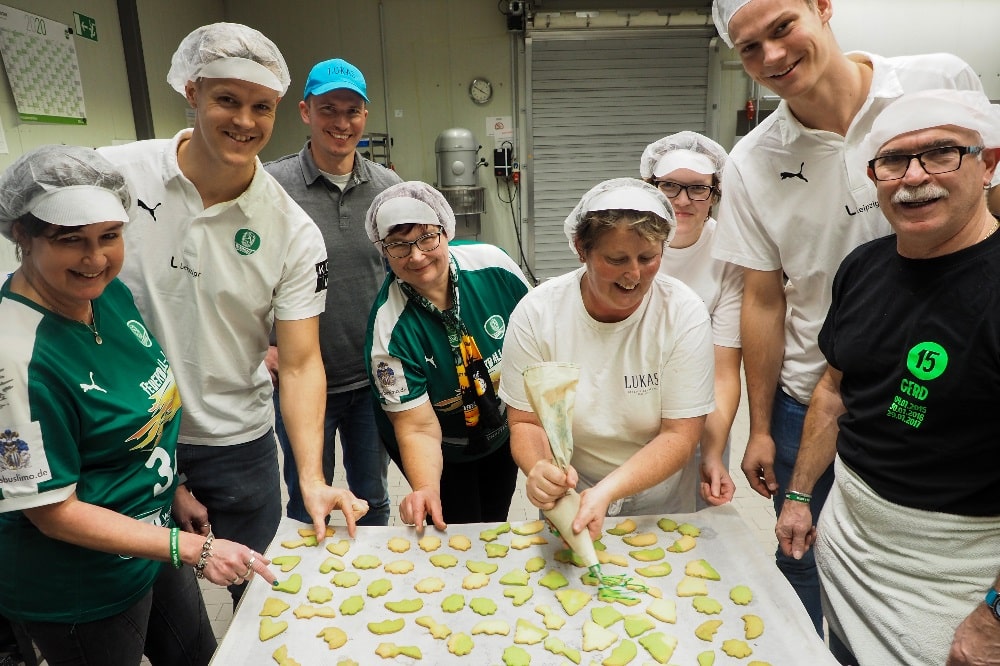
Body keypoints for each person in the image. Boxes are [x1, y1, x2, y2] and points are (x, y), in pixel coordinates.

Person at [710, 0, 995, 633]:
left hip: (952, 381)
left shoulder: (936, 81)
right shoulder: (752, 162)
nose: (773, 56)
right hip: (816, 391)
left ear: (822, 7)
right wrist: (759, 427)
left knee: (946, 556)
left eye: (783, 27)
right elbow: (763, 298)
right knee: (803, 547)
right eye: (749, 48)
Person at [98, 23, 367, 605]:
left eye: (261, 107)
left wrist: (315, 478)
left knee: (260, 599)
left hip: (232, 439)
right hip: (121, 434)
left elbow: (298, 365)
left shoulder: (292, 232)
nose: (245, 121)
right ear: (192, 91)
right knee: (155, 600)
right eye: (227, 100)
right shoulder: (115, 176)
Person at [0, 145, 276, 666]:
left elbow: (139, 412)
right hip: (81, 585)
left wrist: (173, 489)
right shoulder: (17, 357)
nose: (95, 258)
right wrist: (192, 549)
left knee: (198, 655)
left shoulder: (107, 296)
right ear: (21, 234)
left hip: (151, 543)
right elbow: (51, 512)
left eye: (109, 236)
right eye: (70, 240)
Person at [774, 89, 1000, 666]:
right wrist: (799, 496)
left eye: (942, 153)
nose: (913, 178)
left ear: (989, 162)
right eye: (893, 161)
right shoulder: (865, 267)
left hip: (955, 580)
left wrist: (994, 615)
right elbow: (831, 393)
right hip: (851, 545)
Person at [499, 178, 715, 541]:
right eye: (617, 259)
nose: (634, 274)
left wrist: (607, 491)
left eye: (649, 258)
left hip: (658, 501)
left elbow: (679, 436)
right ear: (582, 249)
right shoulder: (538, 314)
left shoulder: (682, 313)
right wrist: (539, 469)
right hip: (569, 493)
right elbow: (525, 422)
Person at [265, 57, 401, 528]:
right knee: (307, 502)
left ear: (365, 115)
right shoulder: (269, 186)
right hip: (300, 382)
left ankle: (376, 593)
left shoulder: (388, 188)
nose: (341, 124)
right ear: (305, 112)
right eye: (329, 109)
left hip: (370, 379)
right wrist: (260, 347)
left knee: (373, 498)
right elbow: (243, 275)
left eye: (352, 111)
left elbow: (405, 275)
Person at [364, 182, 531, 531]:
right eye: (398, 245)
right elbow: (418, 428)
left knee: (495, 514)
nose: (417, 256)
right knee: (459, 522)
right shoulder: (389, 331)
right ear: (383, 250)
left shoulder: (494, 266)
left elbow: (538, 344)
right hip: (437, 443)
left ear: (445, 230)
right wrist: (425, 488)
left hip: (501, 425)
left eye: (427, 237)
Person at [640, 132, 742, 509]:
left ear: (715, 195)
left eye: (697, 188)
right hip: (630, 412)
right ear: (651, 187)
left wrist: (712, 452)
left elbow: (723, 370)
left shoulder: (729, 254)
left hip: (702, 417)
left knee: (696, 530)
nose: (682, 200)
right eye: (670, 186)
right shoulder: (626, 244)